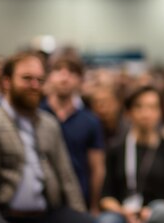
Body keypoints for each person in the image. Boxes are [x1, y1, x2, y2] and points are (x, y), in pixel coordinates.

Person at [0, 51, 93, 223]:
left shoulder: (48, 124)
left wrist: (81, 214)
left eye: (39, 80)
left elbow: (67, 177)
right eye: (27, 78)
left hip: (46, 213)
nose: (35, 85)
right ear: (7, 82)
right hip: (6, 213)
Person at [98, 86, 164, 223]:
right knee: (107, 220)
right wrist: (123, 212)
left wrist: (152, 212)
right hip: (125, 211)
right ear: (129, 112)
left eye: (152, 107)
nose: (146, 113)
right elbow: (106, 197)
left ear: (160, 112)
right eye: (139, 107)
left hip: (159, 211)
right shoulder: (117, 148)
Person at [41, 56, 106, 215]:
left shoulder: (90, 120)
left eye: (71, 72)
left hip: (77, 200)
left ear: (80, 80)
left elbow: (97, 168)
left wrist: (94, 205)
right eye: (58, 70)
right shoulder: (36, 116)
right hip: (41, 200)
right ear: (49, 77)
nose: (64, 77)